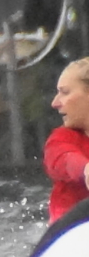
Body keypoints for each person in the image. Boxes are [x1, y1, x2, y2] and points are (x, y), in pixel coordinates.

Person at [45, 57, 89, 223]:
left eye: (64, 92)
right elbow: (63, 159)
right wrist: (85, 170)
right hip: (69, 233)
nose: (55, 103)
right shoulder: (60, 139)